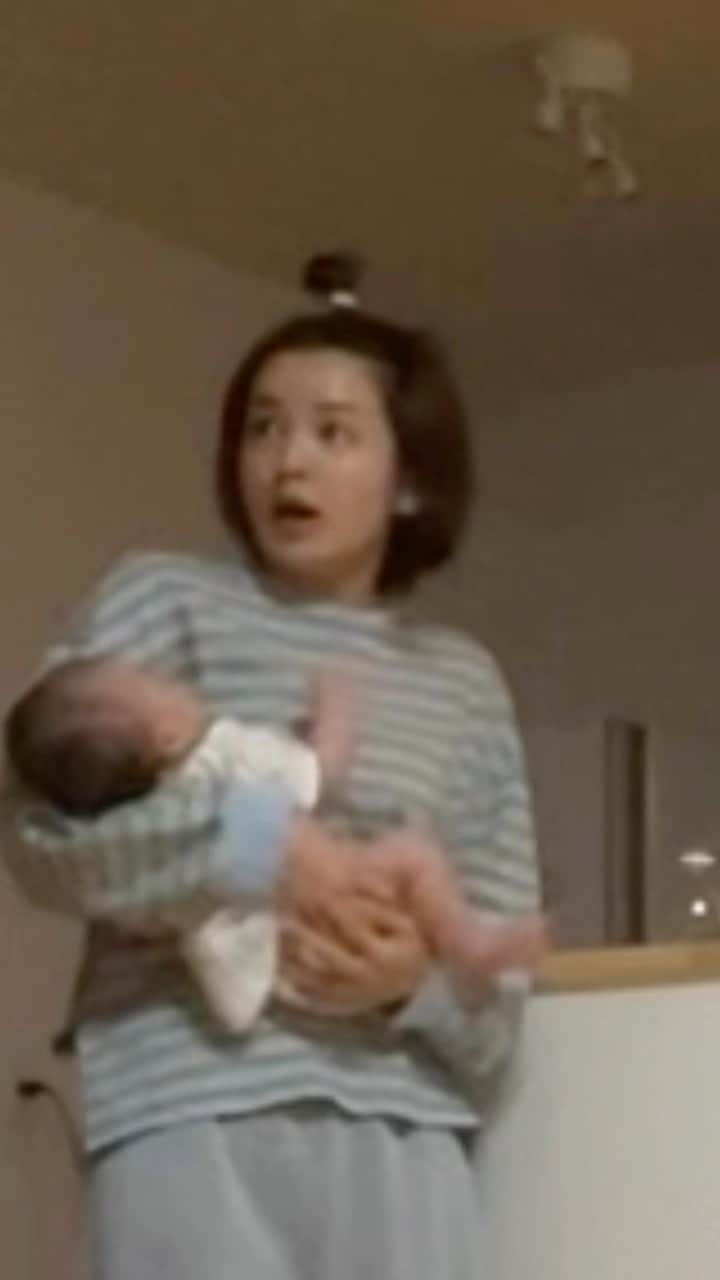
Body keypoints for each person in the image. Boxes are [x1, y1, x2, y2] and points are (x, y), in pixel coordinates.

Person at [3, 252, 542, 1280]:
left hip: (404, 1123)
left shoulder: (463, 681)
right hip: (185, 1102)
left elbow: (500, 997)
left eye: (332, 432)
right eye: (262, 427)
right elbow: (43, 837)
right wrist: (263, 849)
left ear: (410, 478)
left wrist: (411, 986)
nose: (287, 462)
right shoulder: (159, 600)